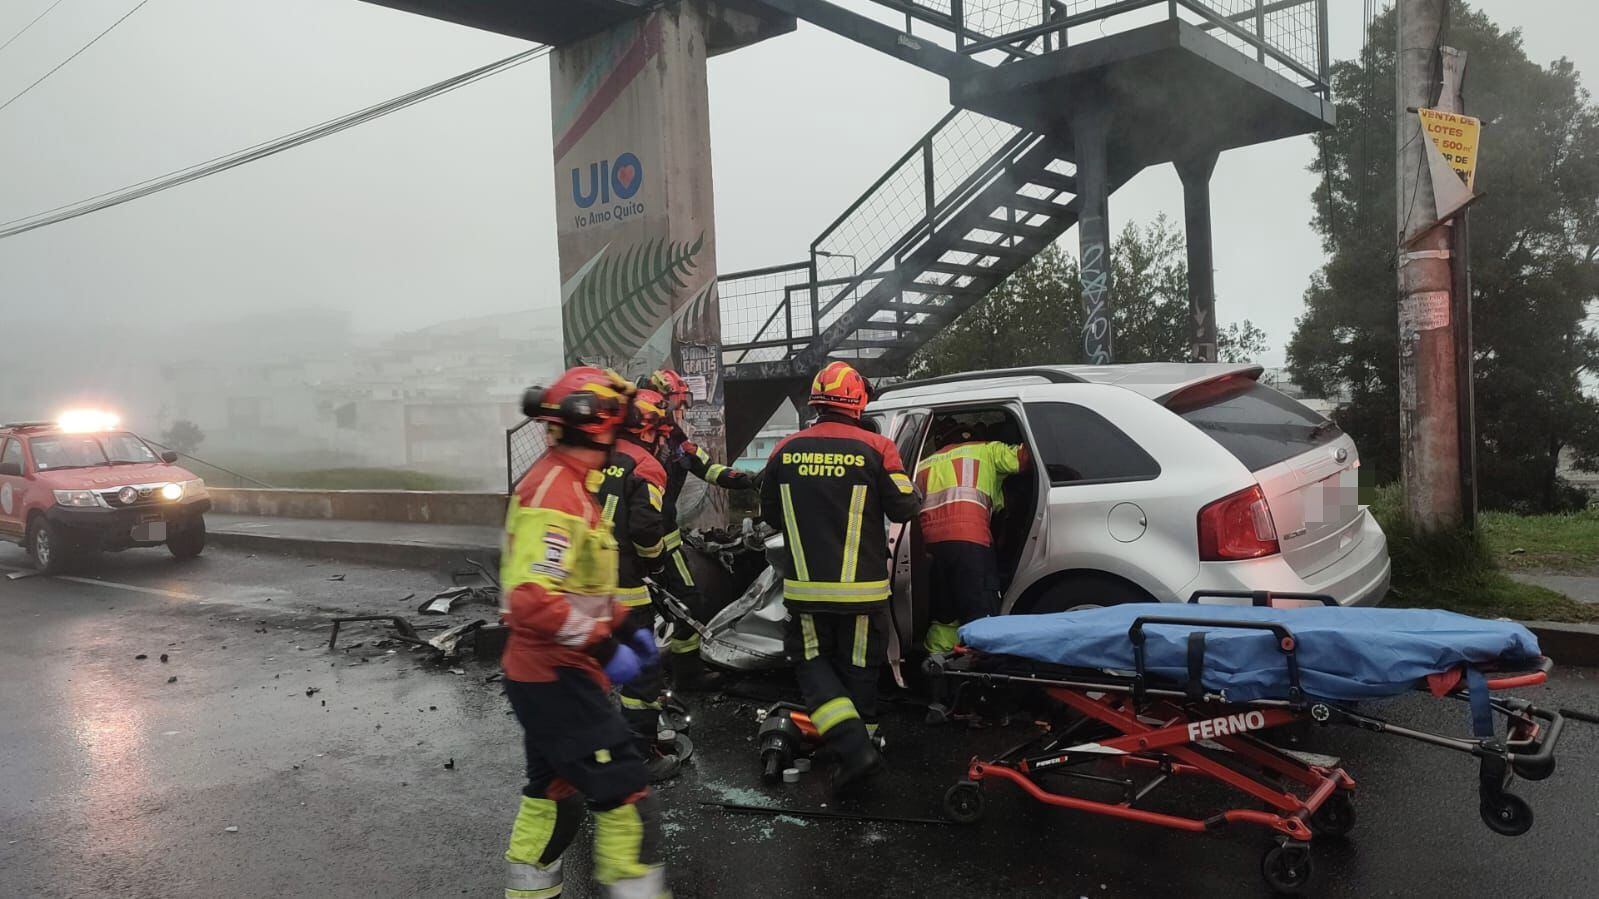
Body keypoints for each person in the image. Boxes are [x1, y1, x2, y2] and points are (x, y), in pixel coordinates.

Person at [499, 366, 669, 899]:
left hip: (546, 674)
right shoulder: (558, 495)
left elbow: (580, 584)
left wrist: (625, 628)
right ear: (602, 426)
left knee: (554, 798)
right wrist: (603, 645)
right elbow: (532, 599)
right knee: (626, 801)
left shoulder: (571, 484)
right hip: (557, 676)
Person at [759, 360, 921, 792]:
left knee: (812, 664)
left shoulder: (785, 449)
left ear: (817, 402)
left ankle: (853, 749)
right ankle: (859, 749)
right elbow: (905, 506)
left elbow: (770, 513)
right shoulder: (878, 448)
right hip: (864, 592)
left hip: (807, 591)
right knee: (860, 667)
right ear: (858, 402)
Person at [644, 368, 756, 689]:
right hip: (642, 542)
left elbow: (708, 468)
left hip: (666, 538)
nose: (679, 411)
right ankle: (651, 679)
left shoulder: (677, 439)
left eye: (682, 405)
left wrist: (750, 479)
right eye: (675, 404)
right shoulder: (637, 446)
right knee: (649, 609)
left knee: (688, 602)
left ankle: (686, 674)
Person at [595, 387, 682, 782]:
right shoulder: (646, 466)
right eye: (661, 434)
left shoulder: (596, 456)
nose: (664, 441)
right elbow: (647, 531)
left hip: (587, 588)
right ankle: (639, 757)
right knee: (642, 674)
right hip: (625, 589)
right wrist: (656, 564)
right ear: (649, 431)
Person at [915, 420, 1029, 655]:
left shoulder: (924, 463)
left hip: (930, 547)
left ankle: (937, 661)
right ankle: (980, 664)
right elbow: (1024, 458)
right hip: (970, 541)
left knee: (944, 615)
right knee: (980, 611)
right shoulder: (988, 450)